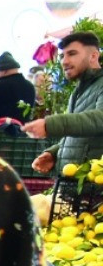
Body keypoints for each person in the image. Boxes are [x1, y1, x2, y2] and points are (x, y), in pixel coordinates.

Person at [26, 32, 103, 175]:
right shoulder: (79, 91)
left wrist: (50, 124)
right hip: (77, 188)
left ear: (93, 56)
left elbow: (100, 119)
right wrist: (54, 153)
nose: (64, 61)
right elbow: (80, 135)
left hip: (95, 190)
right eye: (62, 56)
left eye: (72, 54)